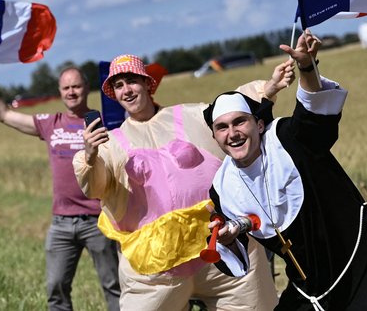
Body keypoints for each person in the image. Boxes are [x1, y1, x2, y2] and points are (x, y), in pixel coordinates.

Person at [203, 31, 367, 310]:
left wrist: (307, 66)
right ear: (214, 136)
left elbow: (313, 111)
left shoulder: (289, 139)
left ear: (259, 125)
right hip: (307, 290)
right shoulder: (222, 188)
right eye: (222, 127)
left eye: (240, 122)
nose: (232, 133)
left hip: (359, 268)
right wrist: (226, 240)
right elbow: (234, 260)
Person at [73, 54, 293, 310]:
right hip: (156, 271)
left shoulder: (189, 115)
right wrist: (90, 156)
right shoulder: (109, 144)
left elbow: (229, 110)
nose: (126, 90)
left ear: (147, 83)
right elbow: (94, 186)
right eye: (118, 86)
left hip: (221, 248)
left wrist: (267, 88)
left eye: (131, 81)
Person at [0, 63, 120, 311]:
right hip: (61, 223)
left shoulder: (105, 122)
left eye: (76, 86)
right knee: (56, 288)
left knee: (114, 287)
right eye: (66, 87)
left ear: (87, 88)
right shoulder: (51, 123)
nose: (71, 92)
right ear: (60, 91)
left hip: (99, 220)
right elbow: (4, 114)